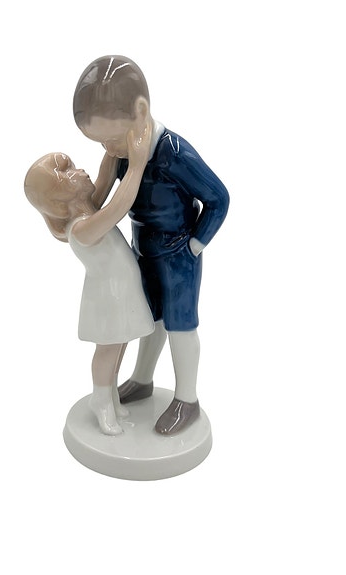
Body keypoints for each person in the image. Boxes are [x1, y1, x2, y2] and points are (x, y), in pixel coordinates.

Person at [73, 55, 230, 435]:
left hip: (177, 253)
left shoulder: (173, 151)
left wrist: (195, 245)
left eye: (112, 138)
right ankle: (143, 379)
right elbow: (99, 202)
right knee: (148, 319)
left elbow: (218, 198)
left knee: (180, 325)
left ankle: (187, 399)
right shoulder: (121, 153)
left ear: (141, 113)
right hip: (143, 248)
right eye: (100, 142)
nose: (108, 147)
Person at [24, 151, 154, 435]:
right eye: (68, 172)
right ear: (59, 199)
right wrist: (136, 165)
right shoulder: (82, 228)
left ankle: (112, 394)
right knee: (108, 349)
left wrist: (112, 151)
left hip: (124, 291)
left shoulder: (89, 210)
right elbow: (119, 205)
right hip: (108, 298)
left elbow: (105, 177)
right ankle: (101, 400)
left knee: (122, 343)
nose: (79, 170)